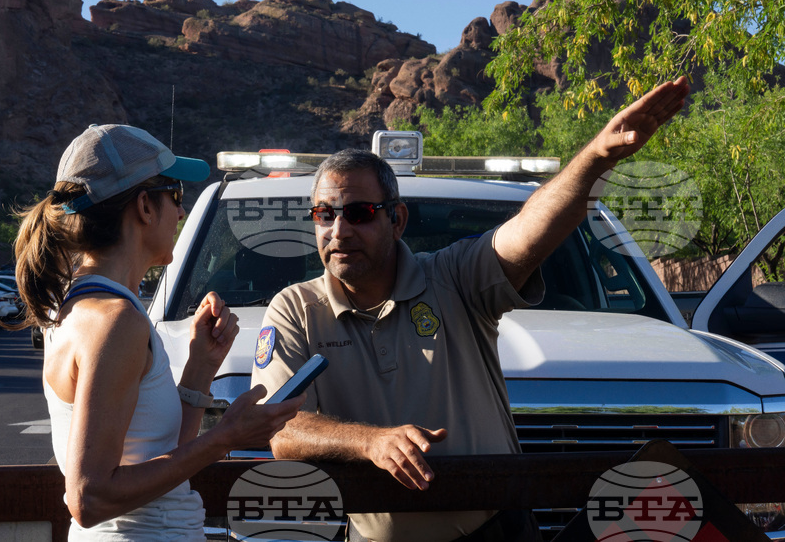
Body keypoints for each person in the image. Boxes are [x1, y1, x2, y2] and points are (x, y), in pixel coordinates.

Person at [251, 78, 691, 542]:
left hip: (497, 532)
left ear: (396, 220)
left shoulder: (455, 277)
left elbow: (529, 229)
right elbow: (282, 431)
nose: (338, 230)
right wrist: (371, 441)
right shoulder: (295, 309)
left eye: (358, 213)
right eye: (325, 214)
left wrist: (599, 156)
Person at [14, 124, 304, 541]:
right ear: (146, 206)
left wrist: (200, 369)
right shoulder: (113, 320)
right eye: (176, 196)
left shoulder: (85, 307)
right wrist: (227, 437)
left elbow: (156, 452)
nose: (181, 213)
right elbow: (89, 498)